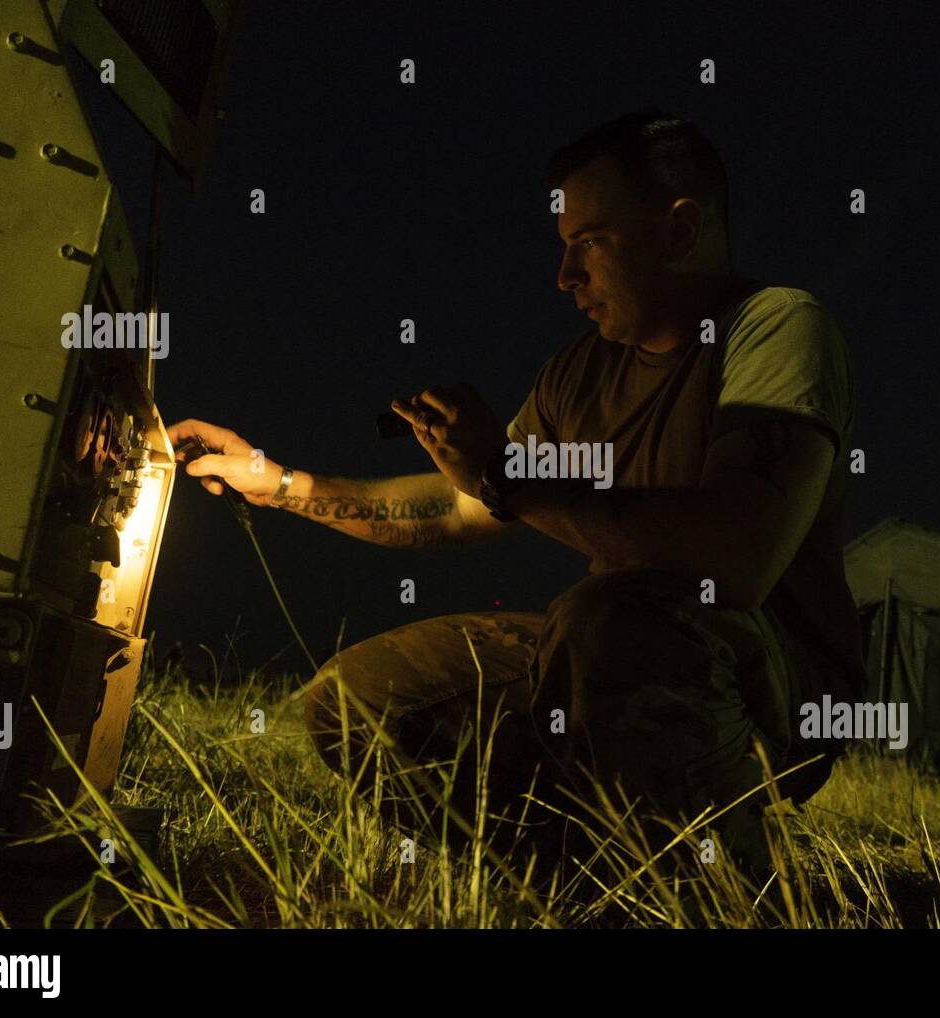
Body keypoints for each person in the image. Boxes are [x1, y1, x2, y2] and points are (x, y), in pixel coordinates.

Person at [166, 109, 866, 883]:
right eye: (563, 249)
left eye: (588, 245)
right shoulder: (581, 373)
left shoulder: (775, 328)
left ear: (678, 231)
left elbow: (735, 559)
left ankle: (726, 887)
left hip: (771, 678)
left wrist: (506, 473)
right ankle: (567, 873)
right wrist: (283, 484)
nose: (565, 278)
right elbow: (466, 506)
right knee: (353, 699)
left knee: (605, 622)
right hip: (608, 649)